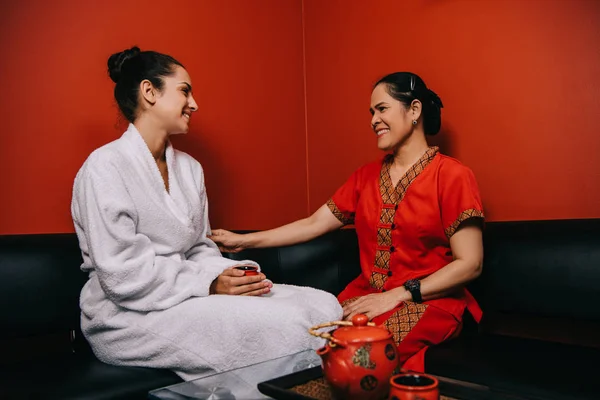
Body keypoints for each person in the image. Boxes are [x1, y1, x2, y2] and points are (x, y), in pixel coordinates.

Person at [70, 46, 342, 380]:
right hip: (126, 314)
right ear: (149, 92)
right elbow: (123, 275)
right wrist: (208, 283)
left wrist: (231, 275)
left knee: (323, 307)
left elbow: (199, 247)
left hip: (186, 293)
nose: (194, 103)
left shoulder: (189, 169)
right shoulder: (104, 167)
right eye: (184, 90)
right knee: (287, 326)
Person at [210, 72, 485, 372]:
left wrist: (398, 295)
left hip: (429, 302)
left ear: (414, 110)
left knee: (362, 356)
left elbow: (470, 263)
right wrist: (244, 240)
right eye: (371, 112)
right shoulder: (365, 177)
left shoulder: (452, 175)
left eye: (382, 109)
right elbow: (313, 224)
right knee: (305, 345)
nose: (373, 120)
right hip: (365, 298)